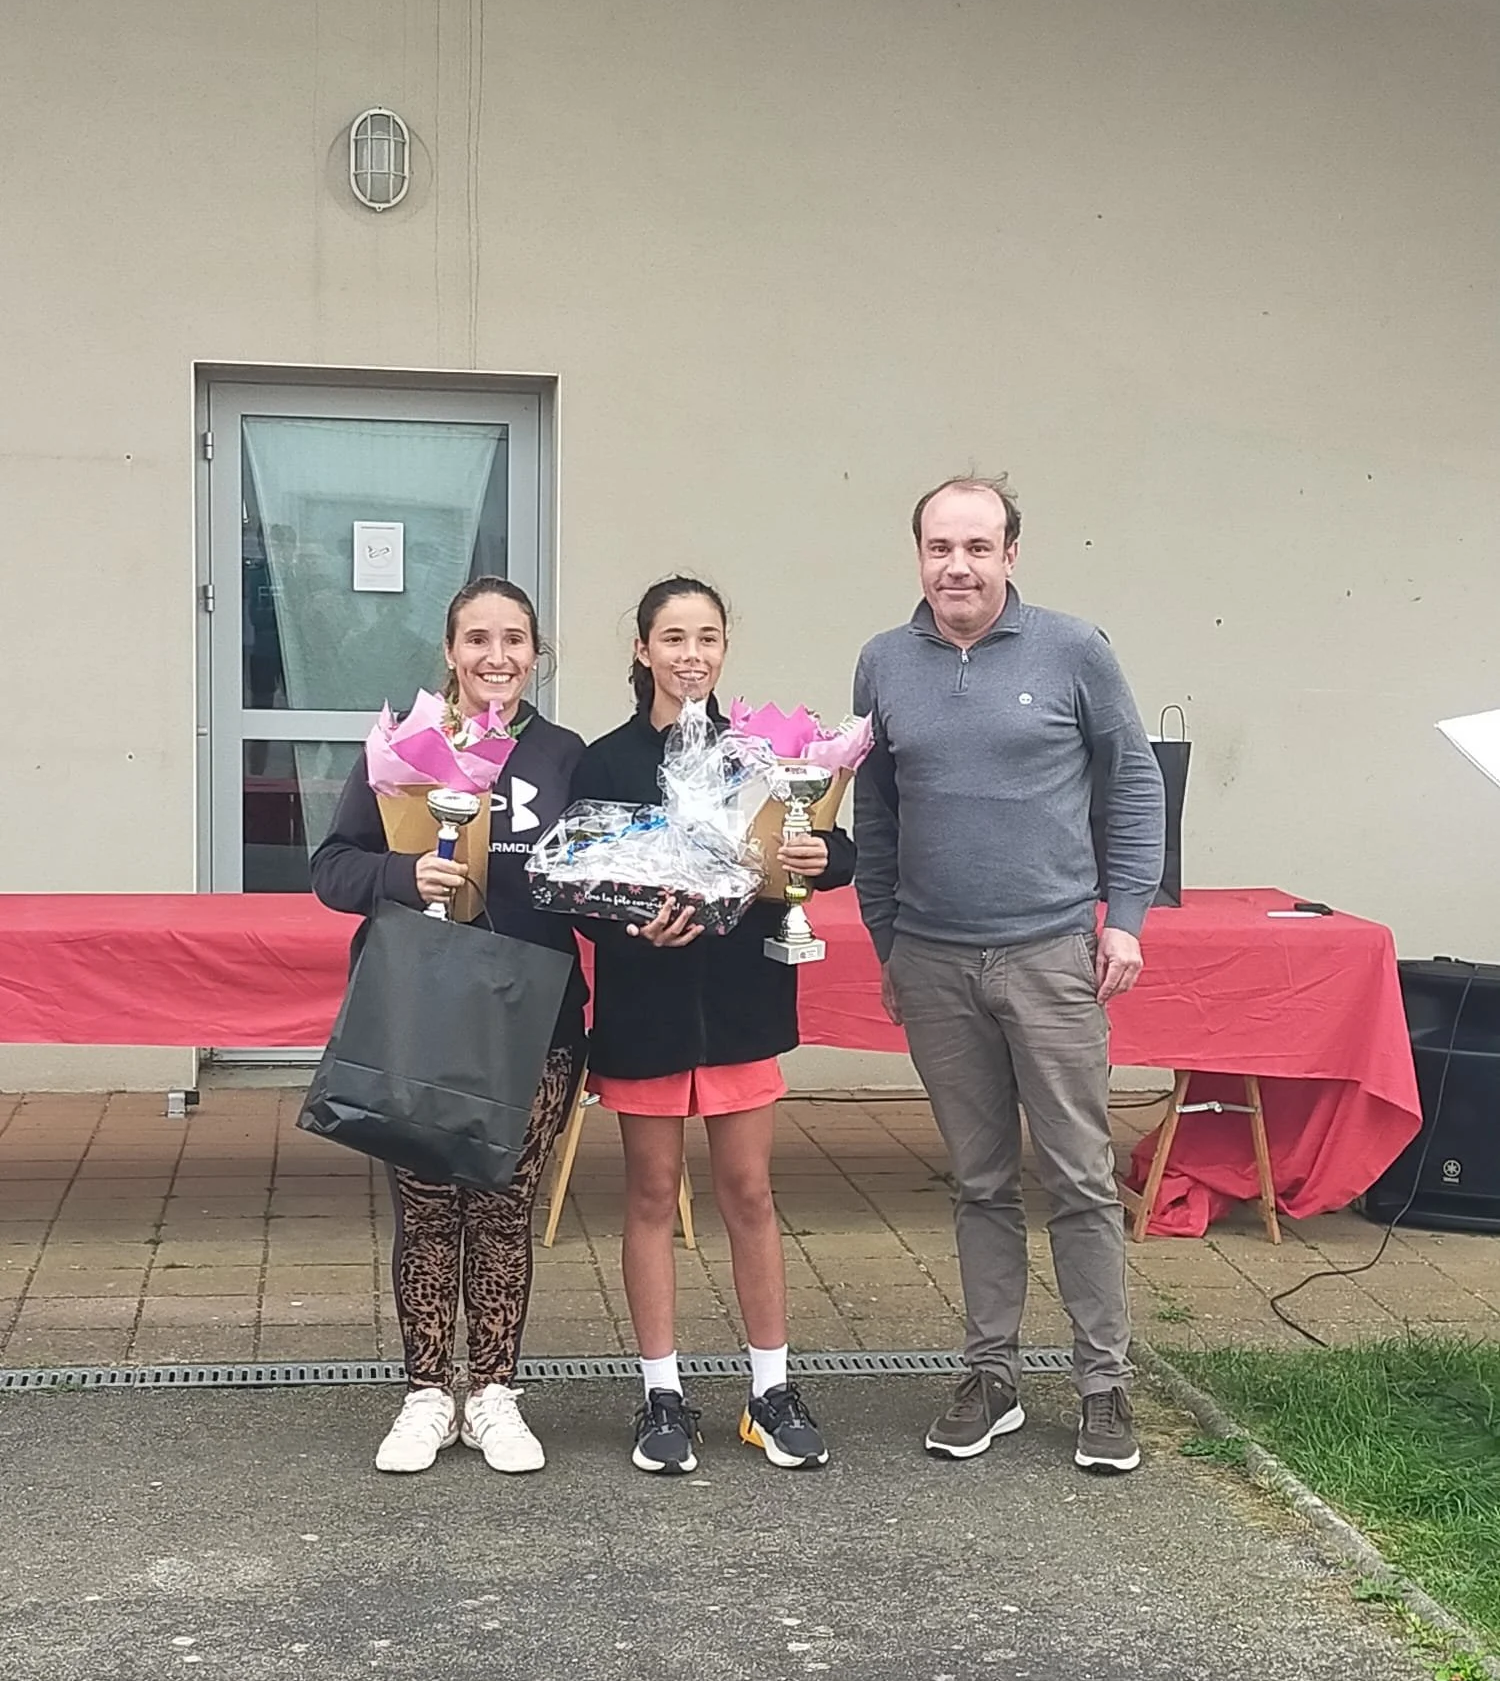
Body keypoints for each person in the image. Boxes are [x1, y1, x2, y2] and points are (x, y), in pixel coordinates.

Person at [853, 477, 1165, 1474]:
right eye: (941, 546)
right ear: (917, 556)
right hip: (936, 960)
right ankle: (991, 1374)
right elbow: (876, 817)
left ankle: (1103, 1385)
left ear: (1012, 554)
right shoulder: (882, 663)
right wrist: (885, 937)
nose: (959, 565)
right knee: (979, 1180)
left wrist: (1125, 920)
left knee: (1077, 1175)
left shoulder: (1075, 651)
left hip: (1049, 955)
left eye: (978, 546)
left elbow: (1133, 785)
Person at [571, 577, 855, 1475]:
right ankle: (662, 1396)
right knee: (652, 1197)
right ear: (642, 651)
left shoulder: (764, 756)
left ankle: (769, 1391)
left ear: (725, 649)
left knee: (750, 1195)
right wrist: (626, 922)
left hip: (739, 1006)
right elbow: (579, 883)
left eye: (708, 637)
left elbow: (822, 848)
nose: (691, 654)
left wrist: (823, 856)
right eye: (672, 638)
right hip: (646, 1009)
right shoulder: (606, 760)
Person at [311, 577, 587, 1477]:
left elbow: (590, 878)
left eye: (514, 639)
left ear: (536, 653)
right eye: (477, 639)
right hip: (422, 1015)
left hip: (533, 1018)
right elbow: (332, 869)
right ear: (451, 652)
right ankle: (429, 1393)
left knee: (504, 1209)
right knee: (428, 1213)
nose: (496, 657)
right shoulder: (407, 750)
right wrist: (403, 878)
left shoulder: (563, 755)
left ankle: (495, 1393)